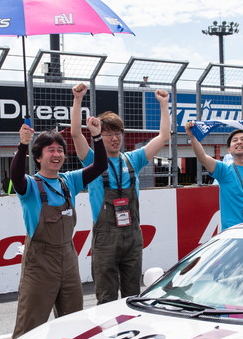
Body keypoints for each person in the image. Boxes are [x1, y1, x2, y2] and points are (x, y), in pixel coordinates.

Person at [70, 83, 171, 303]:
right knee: (106, 297)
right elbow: (76, 134)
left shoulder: (133, 159)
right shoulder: (93, 161)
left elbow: (164, 137)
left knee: (132, 296)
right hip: (105, 238)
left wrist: (164, 105)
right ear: (100, 135)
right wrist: (78, 100)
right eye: (108, 134)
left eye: (118, 133)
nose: (115, 138)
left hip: (132, 235)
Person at [9, 121, 108, 339]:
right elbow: (15, 176)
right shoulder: (30, 185)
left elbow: (100, 165)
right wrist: (23, 144)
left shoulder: (69, 181)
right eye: (51, 150)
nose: (57, 154)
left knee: (73, 323)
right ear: (38, 157)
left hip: (68, 257)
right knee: (29, 327)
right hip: (40, 262)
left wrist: (97, 136)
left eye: (60, 150)